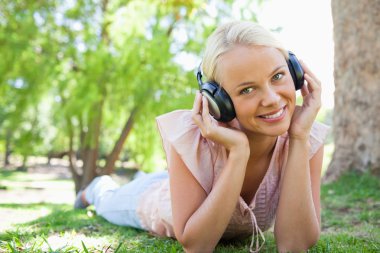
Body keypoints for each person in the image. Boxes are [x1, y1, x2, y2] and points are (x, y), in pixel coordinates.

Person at [74, 21, 329, 253]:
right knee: (108, 201)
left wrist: (298, 139)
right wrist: (239, 152)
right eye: (247, 89)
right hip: (154, 199)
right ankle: (97, 187)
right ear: (219, 101)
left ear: (296, 72)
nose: (272, 99)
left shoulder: (304, 136)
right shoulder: (193, 137)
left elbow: (295, 245)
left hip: (180, 182)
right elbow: (197, 246)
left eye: (278, 76)